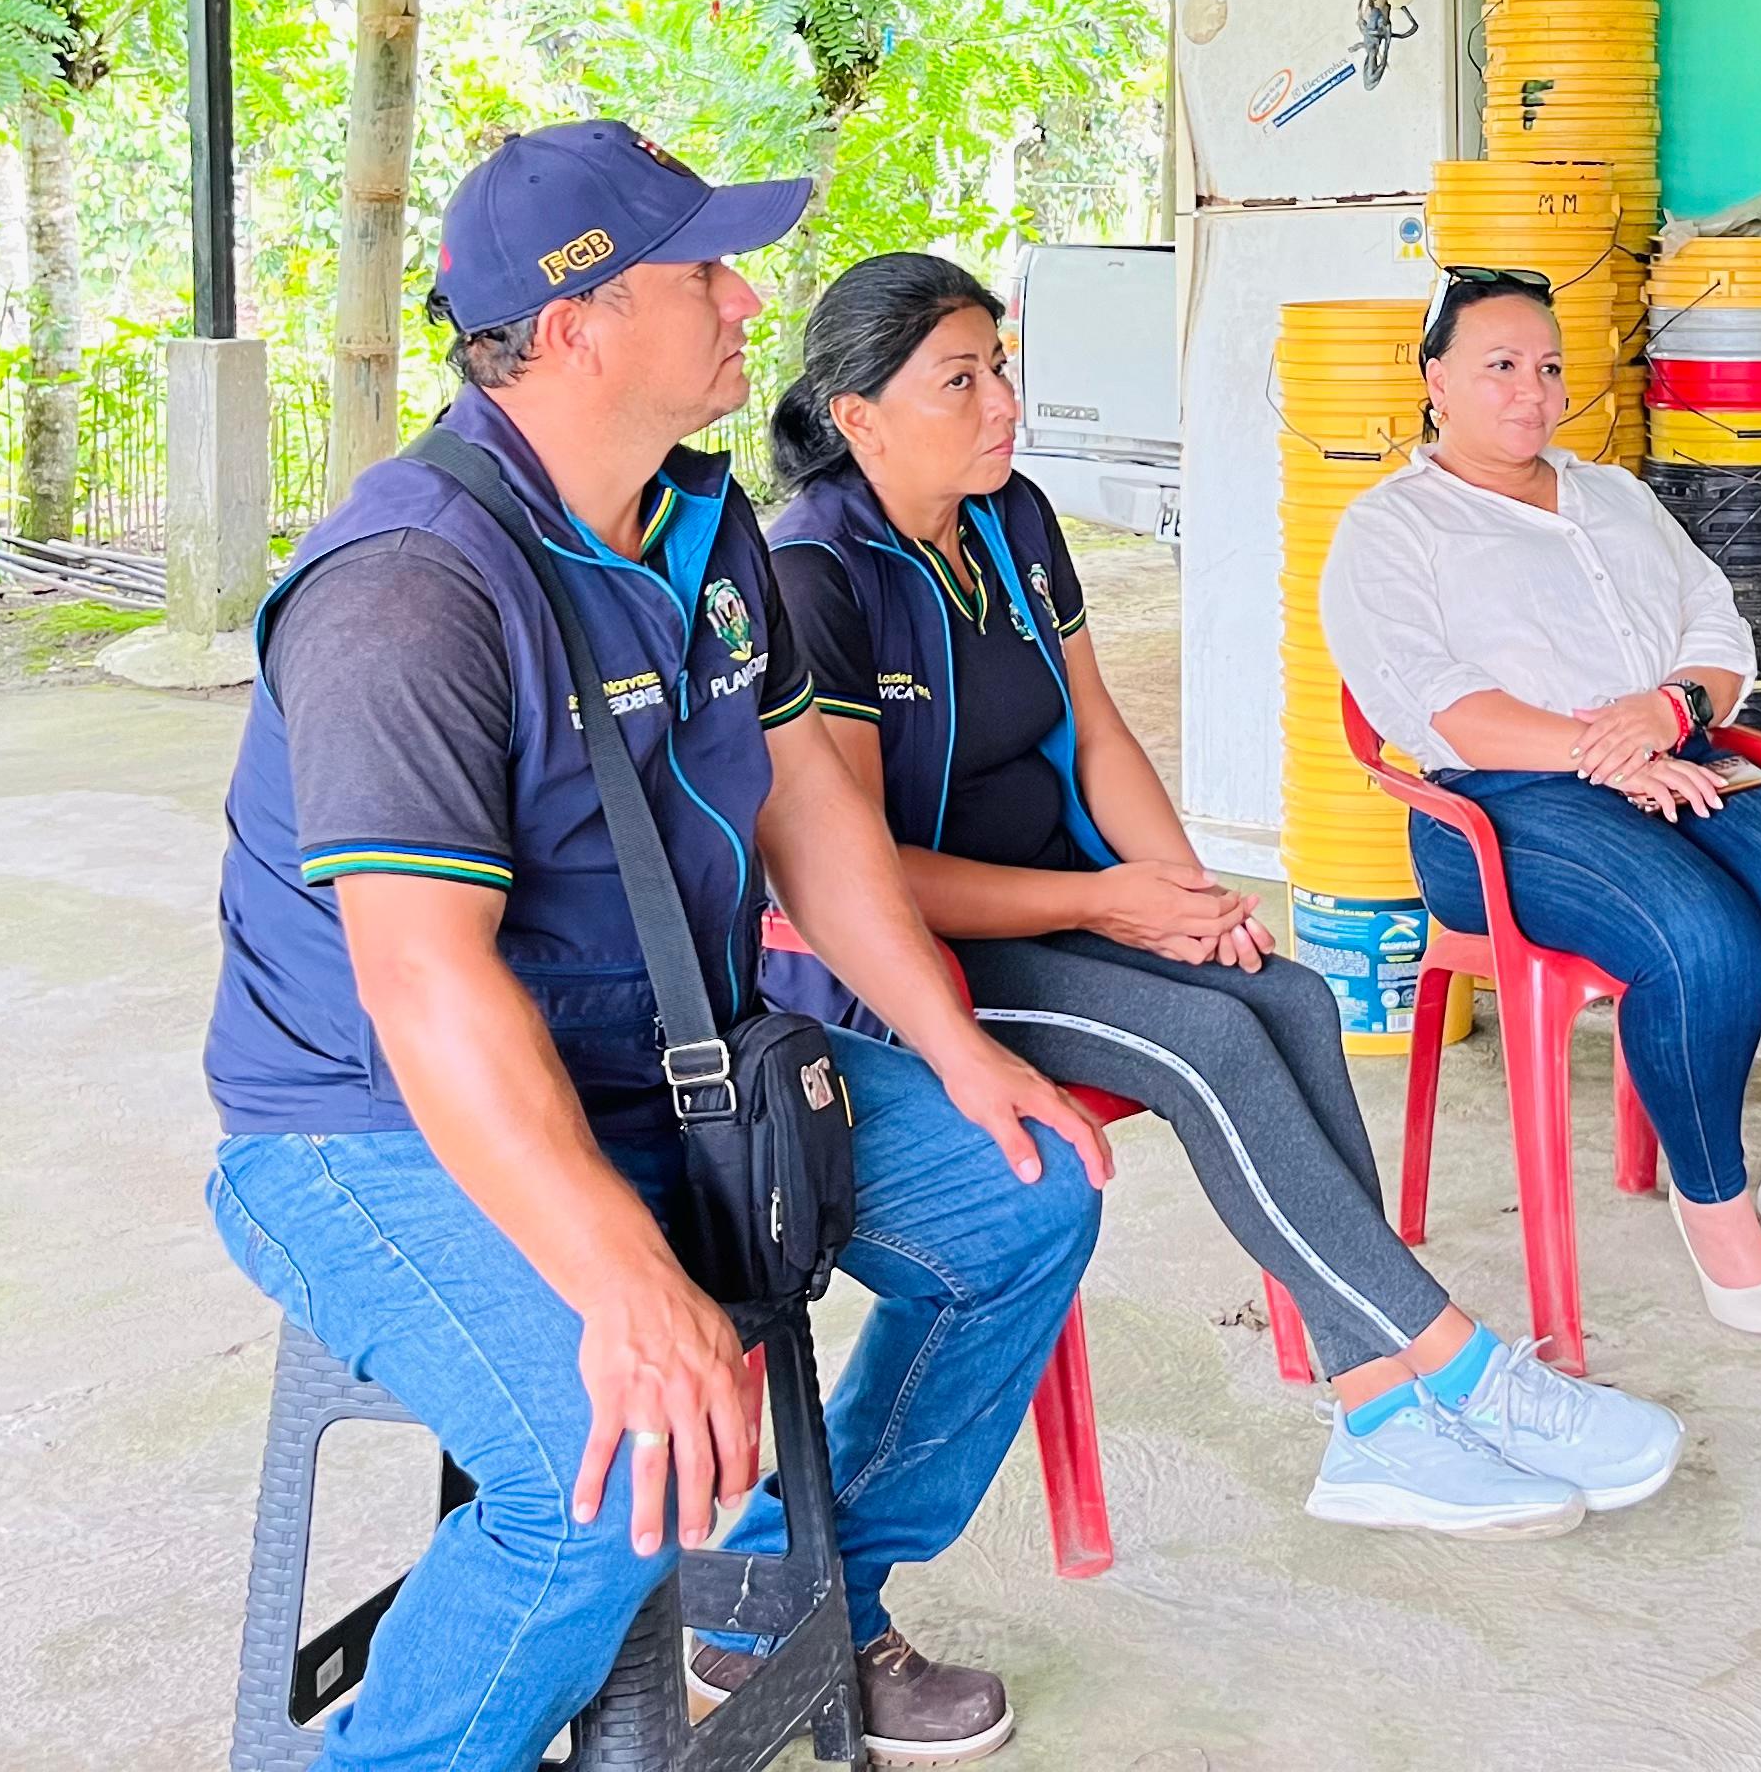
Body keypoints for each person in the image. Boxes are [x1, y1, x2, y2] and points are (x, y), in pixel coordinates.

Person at [202, 122, 1112, 1771]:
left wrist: (959, 1048)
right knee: (612, 1465)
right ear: (576, 327)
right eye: (702, 272)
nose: (747, 299)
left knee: (1023, 1196)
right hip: (375, 1122)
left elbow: (813, 819)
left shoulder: (702, 523)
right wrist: (626, 1275)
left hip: (665, 1067)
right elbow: (421, 979)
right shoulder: (407, 590)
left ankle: (780, 1603)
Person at [755, 252, 1686, 1538]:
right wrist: (1106, 903)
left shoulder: (1008, 517)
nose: (1004, 403)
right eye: (959, 381)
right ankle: (1463, 1370)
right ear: (857, 415)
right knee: (1205, 1042)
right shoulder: (815, 574)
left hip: (1074, 898)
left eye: (1001, 368)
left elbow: (1097, 733)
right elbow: (863, 877)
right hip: (915, 966)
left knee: (1286, 996)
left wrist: (1188, 896)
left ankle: (1380, 1414)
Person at [1319, 269, 1761, 1342]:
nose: (1531, 391)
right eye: (1500, 365)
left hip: (1674, 754)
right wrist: (1600, 751)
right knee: (1704, 938)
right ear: (1435, 378)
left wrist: (1671, 710)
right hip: (1505, 805)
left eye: (1548, 367)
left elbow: (1717, 628)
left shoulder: (1617, 497)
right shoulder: (1390, 529)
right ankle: (1713, 1198)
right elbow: (1437, 705)